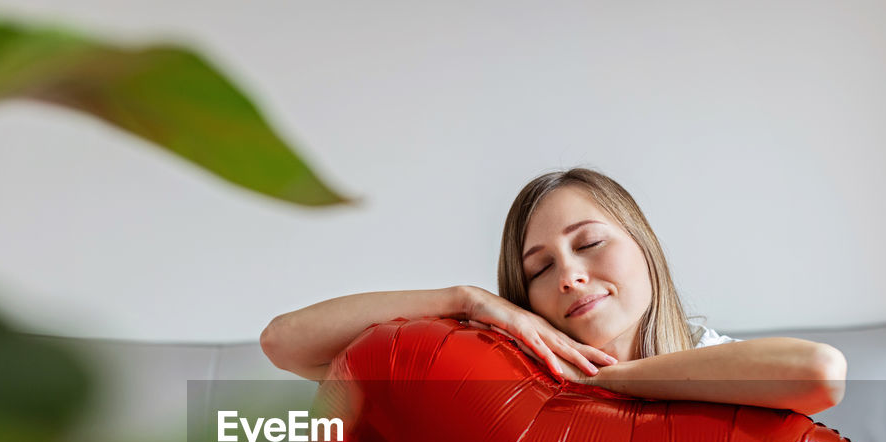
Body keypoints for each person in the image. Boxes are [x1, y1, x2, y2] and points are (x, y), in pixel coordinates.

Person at [261, 168, 845, 416]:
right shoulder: (501, 369)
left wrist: (600, 379)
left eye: (589, 243)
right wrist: (464, 300)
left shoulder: (712, 359)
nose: (568, 276)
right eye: (539, 268)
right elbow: (286, 343)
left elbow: (820, 372)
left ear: (644, 245)